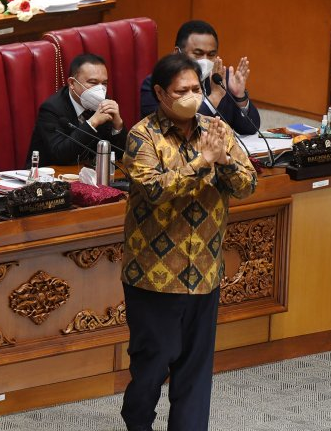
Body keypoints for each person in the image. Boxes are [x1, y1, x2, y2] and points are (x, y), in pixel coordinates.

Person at [121, 53, 257, 431]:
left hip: (205, 273)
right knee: (152, 365)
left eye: (196, 89)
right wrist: (202, 163)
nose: (192, 96)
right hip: (154, 277)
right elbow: (152, 189)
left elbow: (247, 185)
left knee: (195, 373)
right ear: (161, 93)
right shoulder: (141, 135)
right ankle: (137, 424)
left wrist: (223, 160)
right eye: (182, 90)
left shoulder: (218, 130)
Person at [139, 20, 260, 135]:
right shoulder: (158, 84)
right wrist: (214, 98)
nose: (205, 60)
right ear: (177, 53)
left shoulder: (221, 79)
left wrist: (240, 97)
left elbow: (250, 129)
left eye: (211, 54)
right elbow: (168, 131)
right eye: (198, 54)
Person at [26, 53, 126, 167]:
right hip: (49, 178)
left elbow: (119, 156)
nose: (100, 89)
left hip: (89, 177)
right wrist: (92, 123)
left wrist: (117, 126)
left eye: (104, 83)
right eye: (93, 83)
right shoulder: (51, 109)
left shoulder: (103, 102)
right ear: (72, 83)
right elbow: (61, 155)